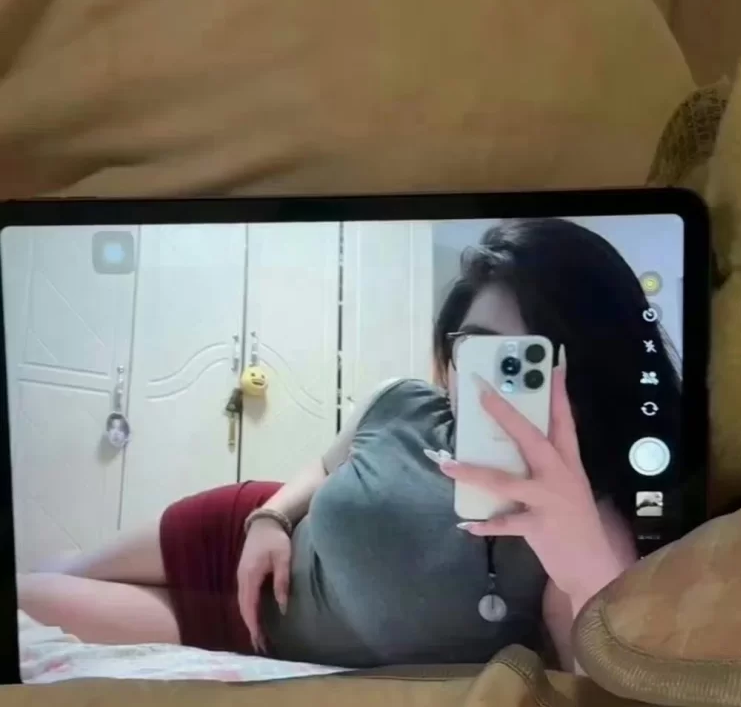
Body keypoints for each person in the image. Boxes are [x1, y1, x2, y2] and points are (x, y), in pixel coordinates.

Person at [18, 219, 681, 671]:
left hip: (249, 638)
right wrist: (270, 517)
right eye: (478, 350)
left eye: (526, 363)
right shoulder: (406, 401)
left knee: (32, 601)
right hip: (230, 534)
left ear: (586, 367)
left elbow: (604, 686)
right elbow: (324, 464)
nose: (493, 387)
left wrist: (582, 560)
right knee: (49, 579)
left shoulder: (586, 517)